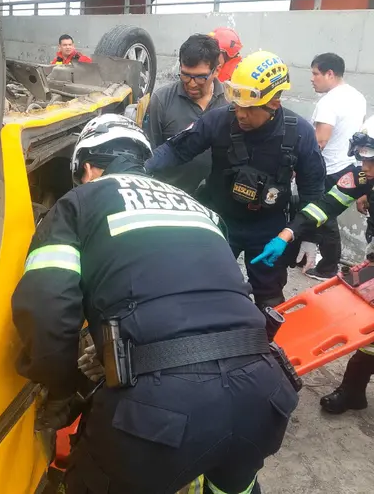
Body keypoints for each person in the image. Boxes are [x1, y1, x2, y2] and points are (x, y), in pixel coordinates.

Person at [13, 113, 298, 494]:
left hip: (160, 414)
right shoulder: (201, 209)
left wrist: (63, 386)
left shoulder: (80, 201)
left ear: (88, 168)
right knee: (235, 486)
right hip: (263, 393)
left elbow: (47, 308)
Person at [145, 51, 326, 310]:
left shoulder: (300, 134)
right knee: (203, 285)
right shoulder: (219, 120)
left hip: (269, 229)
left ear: (274, 103)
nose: (240, 114)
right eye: (237, 105)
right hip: (220, 219)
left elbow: (313, 191)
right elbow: (176, 150)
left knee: (269, 296)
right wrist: (139, 168)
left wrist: (308, 236)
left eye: (249, 108)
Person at [253, 129, 374, 414]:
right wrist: (287, 234)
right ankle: (353, 390)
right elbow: (324, 206)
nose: (365, 167)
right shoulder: (362, 177)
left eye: (371, 162)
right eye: (364, 160)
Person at [299, 52, 367, 280]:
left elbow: (320, 140)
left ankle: (328, 268)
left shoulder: (329, 101)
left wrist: (300, 166)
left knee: (324, 217)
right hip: (349, 166)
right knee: (323, 216)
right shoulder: (357, 97)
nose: (312, 79)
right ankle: (309, 257)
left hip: (328, 168)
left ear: (330, 73)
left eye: (315, 74)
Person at [143, 34, 228, 195]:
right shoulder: (161, 100)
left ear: (216, 70)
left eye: (200, 77)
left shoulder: (230, 103)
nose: (191, 84)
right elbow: (149, 154)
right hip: (169, 198)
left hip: (216, 201)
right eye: (185, 75)